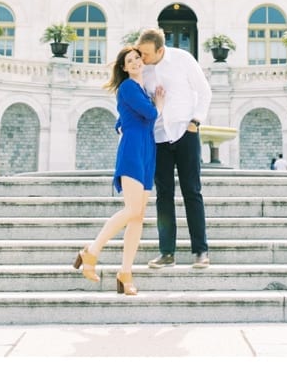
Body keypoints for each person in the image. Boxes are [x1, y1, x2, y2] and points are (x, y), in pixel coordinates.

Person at [73, 46, 164, 296]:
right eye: (129, 60)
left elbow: (124, 117)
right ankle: (91, 252)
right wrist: (160, 104)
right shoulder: (128, 87)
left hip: (147, 151)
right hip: (133, 150)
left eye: (137, 58)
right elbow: (150, 113)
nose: (135, 62)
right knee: (132, 210)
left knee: (138, 217)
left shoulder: (141, 89)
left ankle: (125, 273)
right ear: (123, 67)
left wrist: (120, 124)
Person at [137, 28, 214, 269]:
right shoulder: (143, 70)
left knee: (192, 192)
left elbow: (204, 91)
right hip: (158, 136)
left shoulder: (182, 59)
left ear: (160, 49)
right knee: (164, 196)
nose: (143, 57)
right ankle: (166, 252)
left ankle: (200, 251)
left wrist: (196, 121)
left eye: (147, 53)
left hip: (185, 132)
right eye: (140, 52)